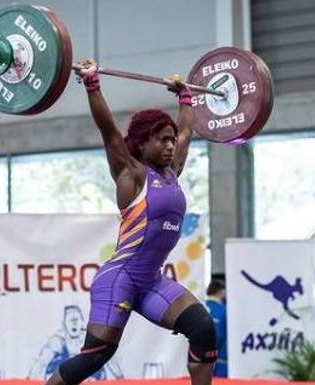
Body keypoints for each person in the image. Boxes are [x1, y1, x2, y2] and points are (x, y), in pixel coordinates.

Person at [43, 60, 217, 385]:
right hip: (119, 279)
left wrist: (186, 97)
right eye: (162, 140)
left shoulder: (172, 171)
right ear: (141, 143)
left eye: (171, 140)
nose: (170, 145)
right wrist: (92, 85)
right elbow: (108, 130)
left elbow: (187, 131)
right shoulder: (131, 174)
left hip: (151, 282)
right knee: (95, 356)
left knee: (203, 329)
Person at [205, 280, 227, 378]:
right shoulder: (224, 310)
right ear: (221, 292)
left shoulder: (199, 307)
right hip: (221, 361)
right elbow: (219, 335)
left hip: (199, 360)